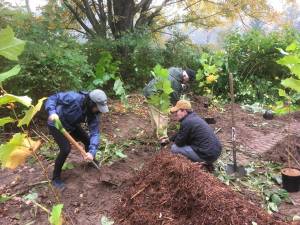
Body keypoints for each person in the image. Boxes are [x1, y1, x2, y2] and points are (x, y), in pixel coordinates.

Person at [45, 89, 109, 189]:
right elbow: (53, 98)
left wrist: (92, 152)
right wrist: (52, 112)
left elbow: (95, 133)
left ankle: (91, 160)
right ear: (91, 103)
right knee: (65, 149)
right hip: (56, 124)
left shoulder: (93, 114)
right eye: (97, 107)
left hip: (71, 125)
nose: (99, 110)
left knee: (87, 140)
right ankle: (55, 178)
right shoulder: (74, 98)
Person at [143, 67, 196, 139]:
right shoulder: (175, 82)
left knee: (155, 114)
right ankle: (163, 138)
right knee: (163, 114)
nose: (186, 82)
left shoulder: (173, 70)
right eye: (188, 80)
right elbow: (175, 99)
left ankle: (155, 133)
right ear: (186, 76)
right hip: (155, 95)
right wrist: (179, 107)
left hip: (148, 92)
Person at [166, 99, 222, 165]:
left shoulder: (186, 122)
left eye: (177, 111)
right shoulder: (194, 118)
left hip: (207, 156)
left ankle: (192, 164)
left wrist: (176, 140)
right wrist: (169, 139)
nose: (175, 114)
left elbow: (179, 143)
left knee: (174, 148)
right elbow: (181, 133)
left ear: (183, 111)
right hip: (215, 152)